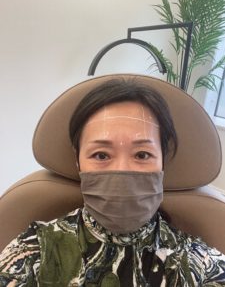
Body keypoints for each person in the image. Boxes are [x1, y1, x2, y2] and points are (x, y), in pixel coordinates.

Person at [0, 76, 225, 286]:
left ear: (162, 163)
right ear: (78, 162)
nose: (122, 171)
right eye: (101, 155)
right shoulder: (33, 253)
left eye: (142, 155)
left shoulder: (199, 264)